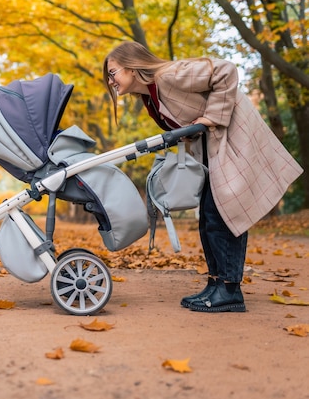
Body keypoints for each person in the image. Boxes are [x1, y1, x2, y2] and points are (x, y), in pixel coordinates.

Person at [103, 41, 303, 313]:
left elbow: (225, 71)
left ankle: (230, 290)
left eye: (112, 72)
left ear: (132, 66)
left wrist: (211, 117)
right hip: (211, 148)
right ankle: (217, 283)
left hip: (232, 136)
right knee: (209, 215)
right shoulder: (150, 96)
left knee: (222, 212)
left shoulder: (169, 76)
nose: (110, 80)